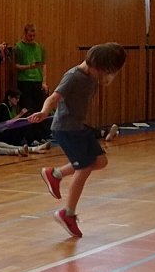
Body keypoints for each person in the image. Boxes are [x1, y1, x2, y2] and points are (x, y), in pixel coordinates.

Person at [29, 42, 128, 239]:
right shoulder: (73, 76)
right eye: (104, 71)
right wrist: (44, 111)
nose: (104, 75)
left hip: (78, 127)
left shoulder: (92, 76)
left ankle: (55, 174)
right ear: (96, 64)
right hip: (66, 129)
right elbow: (54, 97)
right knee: (84, 168)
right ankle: (67, 213)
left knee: (100, 161)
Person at [13, 24, 47, 112]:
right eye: (30, 36)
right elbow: (16, 65)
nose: (32, 38)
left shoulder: (39, 47)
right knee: (26, 108)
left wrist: (44, 82)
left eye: (34, 36)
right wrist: (29, 66)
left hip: (37, 80)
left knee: (38, 108)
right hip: (24, 80)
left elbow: (43, 65)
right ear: (25, 34)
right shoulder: (19, 47)